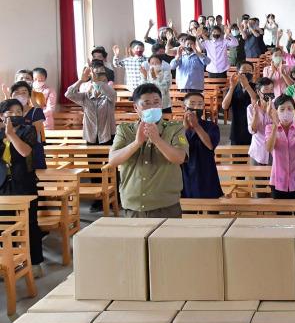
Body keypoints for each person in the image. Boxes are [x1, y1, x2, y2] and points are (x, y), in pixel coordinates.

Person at [109, 83, 188, 218]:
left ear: (161, 104)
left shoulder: (175, 128)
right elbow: (113, 160)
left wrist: (157, 140)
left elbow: (179, 158)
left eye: (156, 102)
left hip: (165, 205)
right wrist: (137, 143)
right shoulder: (124, 130)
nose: (152, 107)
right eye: (146, 103)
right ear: (136, 107)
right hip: (133, 205)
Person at [0, 99, 44, 277]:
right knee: (5, 225)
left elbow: (25, 152)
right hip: (3, 184)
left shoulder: (28, 130)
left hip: (24, 183)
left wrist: (11, 135)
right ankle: (8, 263)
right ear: (2, 116)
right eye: (10, 112)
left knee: (30, 223)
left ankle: (35, 262)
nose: (15, 115)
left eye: (19, 112)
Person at [180, 92, 222, 199]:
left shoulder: (211, 126)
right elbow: (180, 146)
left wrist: (196, 126)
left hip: (206, 171)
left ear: (203, 107)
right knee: (187, 206)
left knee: (210, 205)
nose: (195, 107)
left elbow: (210, 145)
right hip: (185, 172)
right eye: (192, 104)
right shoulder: (178, 128)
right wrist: (185, 129)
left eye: (199, 104)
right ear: (184, 107)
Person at [266, 94, 295, 199]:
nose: (286, 112)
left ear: (294, 111)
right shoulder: (270, 128)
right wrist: (275, 126)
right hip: (279, 181)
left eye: (289, 109)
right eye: (282, 109)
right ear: (276, 112)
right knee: (280, 210)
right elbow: (269, 148)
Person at [65, 67, 117, 145]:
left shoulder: (110, 97)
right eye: (95, 81)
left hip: (107, 136)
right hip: (90, 136)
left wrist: (97, 82)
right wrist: (81, 80)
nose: (99, 84)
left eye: (103, 82)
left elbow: (111, 93)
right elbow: (68, 94)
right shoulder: (85, 97)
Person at [222, 61, 258, 146]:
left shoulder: (256, 87)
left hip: (253, 126)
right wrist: (231, 88)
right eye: (244, 70)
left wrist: (247, 86)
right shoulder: (232, 88)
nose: (247, 73)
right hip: (237, 128)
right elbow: (224, 106)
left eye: (249, 70)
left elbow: (256, 101)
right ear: (238, 72)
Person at [248, 77, 274, 166]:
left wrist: (271, 114)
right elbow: (253, 130)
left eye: (271, 89)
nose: (269, 92)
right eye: (266, 89)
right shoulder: (251, 108)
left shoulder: (277, 106)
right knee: (255, 175)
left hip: (273, 149)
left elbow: (279, 128)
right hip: (257, 150)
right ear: (259, 92)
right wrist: (255, 114)